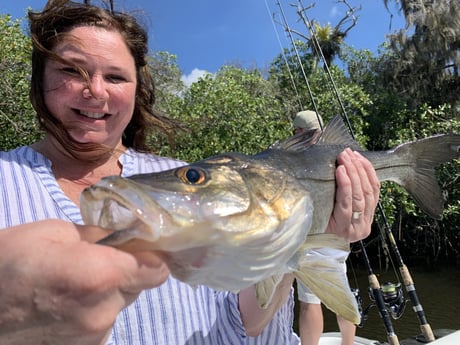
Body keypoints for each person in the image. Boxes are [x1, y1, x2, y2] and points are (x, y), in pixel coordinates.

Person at [0, 1, 380, 344]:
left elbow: (244, 326)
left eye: (115, 77)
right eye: (71, 70)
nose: (95, 91)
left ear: (136, 90)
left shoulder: (184, 176)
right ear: (40, 80)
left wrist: (295, 242)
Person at [293, 110, 357, 345]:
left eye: (299, 132)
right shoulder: (342, 155)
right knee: (340, 292)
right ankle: (348, 344)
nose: (298, 136)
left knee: (310, 301)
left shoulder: (299, 158)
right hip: (340, 238)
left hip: (315, 236)